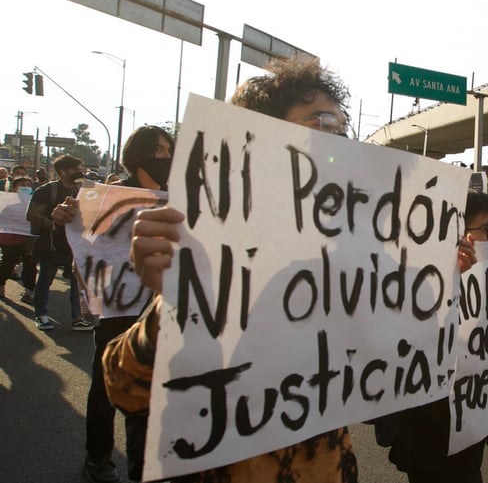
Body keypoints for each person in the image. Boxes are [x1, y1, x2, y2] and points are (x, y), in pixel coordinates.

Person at [102, 57, 360, 483]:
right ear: (255, 142)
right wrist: (177, 303)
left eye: (343, 131)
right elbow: (125, 388)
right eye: (323, 125)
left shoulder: (347, 254)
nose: (340, 146)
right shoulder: (207, 248)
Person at [51, 126, 175, 483]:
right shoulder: (106, 197)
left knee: (157, 386)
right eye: (158, 150)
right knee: (106, 385)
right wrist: (62, 221)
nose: (165, 157)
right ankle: (98, 458)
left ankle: (150, 462)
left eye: (168, 150)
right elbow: (71, 247)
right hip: (118, 308)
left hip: (164, 309)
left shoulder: (180, 196)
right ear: (137, 156)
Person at [386, 191, 488, 483]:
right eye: (487, 230)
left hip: (472, 414)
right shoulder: (422, 278)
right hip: (431, 422)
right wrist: (453, 279)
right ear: (460, 234)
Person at [25, 154, 93, 331]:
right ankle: (41, 315)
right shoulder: (46, 190)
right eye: (75, 169)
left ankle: (78, 317)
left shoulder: (82, 191)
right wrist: (57, 224)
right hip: (50, 243)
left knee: (77, 283)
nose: (80, 172)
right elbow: (31, 214)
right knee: (45, 279)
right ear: (63, 171)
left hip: (75, 245)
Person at [0, 176, 37, 301]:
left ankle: (29, 292)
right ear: (15, 188)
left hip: (29, 239)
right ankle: (1, 284)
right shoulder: (7, 204)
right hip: (10, 239)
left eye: (28, 184)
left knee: (30, 265)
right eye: (22, 185)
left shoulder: (35, 202)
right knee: (8, 263)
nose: (26, 187)